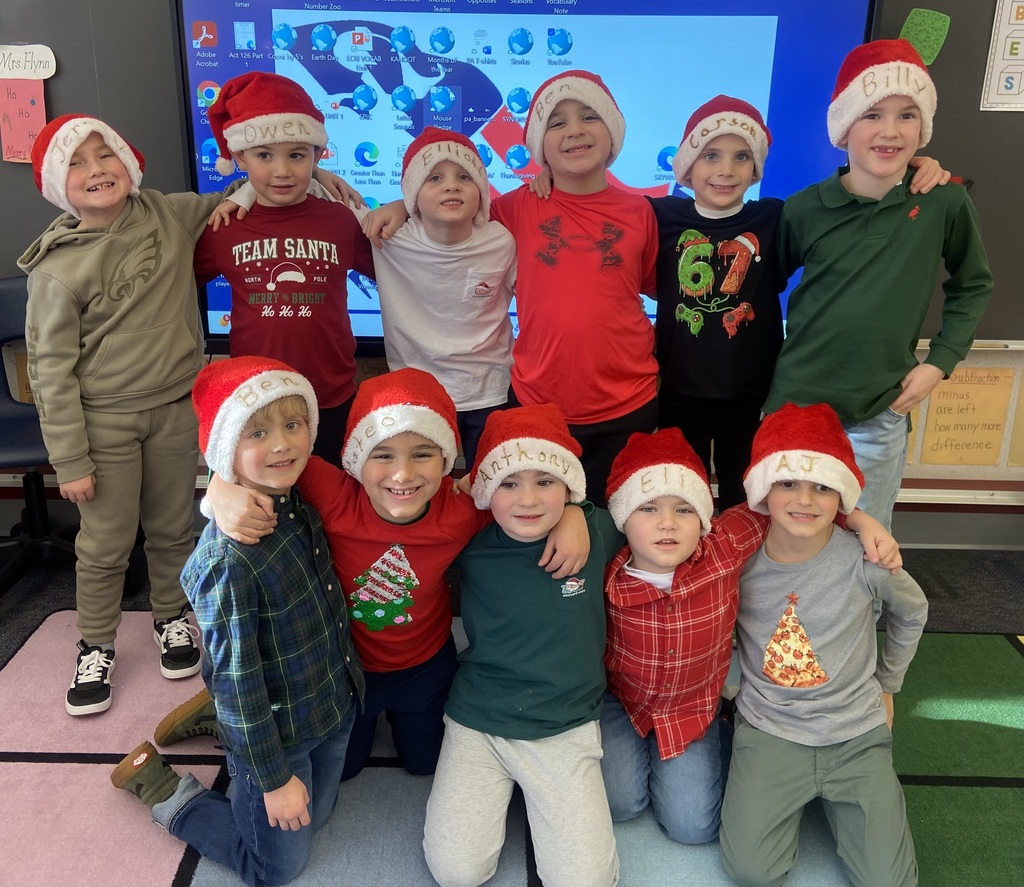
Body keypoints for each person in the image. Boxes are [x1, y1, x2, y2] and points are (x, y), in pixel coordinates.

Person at [203, 368, 589, 781]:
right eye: (383, 455)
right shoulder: (329, 490)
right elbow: (266, 465)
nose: (402, 474)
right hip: (344, 670)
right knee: (345, 772)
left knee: (424, 766)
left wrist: (573, 511)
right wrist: (218, 488)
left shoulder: (461, 510)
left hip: (426, 665)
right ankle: (212, 711)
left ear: (446, 461)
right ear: (354, 461)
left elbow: (524, 493)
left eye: (422, 454)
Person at [111, 356, 364, 887]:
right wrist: (272, 777)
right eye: (257, 431)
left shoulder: (295, 502)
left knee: (321, 816)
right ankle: (161, 788)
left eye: (293, 425)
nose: (282, 444)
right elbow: (236, 676)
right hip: (273, 725)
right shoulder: (228, 560)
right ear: (226, 447)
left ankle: (215, 720)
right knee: (276, 868)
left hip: (328, 704)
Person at [364, 71, 660, 505]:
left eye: (589, 117)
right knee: (538, 514)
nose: (574, 130)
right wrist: (401, 205)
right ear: (539, 145)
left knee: (614, 516)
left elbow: (653, 286)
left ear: (613, 131)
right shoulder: (518, 207)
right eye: (557, 123)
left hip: (629, 399)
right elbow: (455, 208)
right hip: (538, 399)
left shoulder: (641, 211)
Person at [599, 427, 899, 845]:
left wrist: (860, 518)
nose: (667, 524)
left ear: (704, 519)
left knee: (694, 828)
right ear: (622, 517)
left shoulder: (724, 545)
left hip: (692, 710)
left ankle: (727, 729)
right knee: (621, 805)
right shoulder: (603, 563)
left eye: (685, 510)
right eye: (648, 509)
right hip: (624, 704)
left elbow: (792, 506)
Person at [19, 114, 211, 715]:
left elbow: (244, 192)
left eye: (106, 155)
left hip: (175, 409)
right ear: (59, 185)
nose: (96, 169)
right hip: (104, 425)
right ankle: (96, 643)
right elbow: (49, 373)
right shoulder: (55, 270)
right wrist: (70, 461)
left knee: (175, 529)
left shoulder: (166, 213)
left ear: (129, 163)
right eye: (76, 163)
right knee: (104, 544)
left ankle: (170, 617)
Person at [763, 39, 994, 529]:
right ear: (845, 126)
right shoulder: (804, 209)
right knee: (784, 535)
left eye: (907, 115)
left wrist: (941, 362)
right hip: (794, 406)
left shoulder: (943, 202)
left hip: (879, 412)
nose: (889, 131)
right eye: (871, 114)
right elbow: (761, 289)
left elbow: (972, 284)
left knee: (867, 541)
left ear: (923, 127)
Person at [720, 402, 928, 887]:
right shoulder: (738, 557)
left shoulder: (867, 560)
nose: (805, 499)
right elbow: (706, 621)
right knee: (750, 871)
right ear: (762, 490)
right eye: (788, 482)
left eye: (822, 486)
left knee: (888, 881)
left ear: (843, 498)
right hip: (770, 730)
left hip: (856, 734)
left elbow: (912, 610)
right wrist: (733, 684)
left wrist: (888, 684)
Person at [423, 404, 621, 887]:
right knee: (456, 873)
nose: (528, 499)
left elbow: (667, 513)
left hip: (564, 723)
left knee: (584, 883)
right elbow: (410, 503)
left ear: (570, 485)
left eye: (546, 482)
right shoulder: (470, 534)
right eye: (508, 483)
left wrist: (578, 510)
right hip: (480, 719)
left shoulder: (597, 528)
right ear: (487, 491)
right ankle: (504, 792)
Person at [194, 72, 375, 468]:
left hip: (330, 395)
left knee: (330, 504)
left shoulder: (341, 220)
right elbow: (172, 286)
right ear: (239, 158)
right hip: (257, 399)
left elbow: (401, 267)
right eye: (263, 155)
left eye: (297, 155)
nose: (282, 170)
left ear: (317, 156)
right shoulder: (225, 226)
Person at [650, 97, 784, 510]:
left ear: (756, 167)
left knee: (742, 495)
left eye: (741, 157)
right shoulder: (659, 215)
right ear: (688, 167)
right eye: (711, 155)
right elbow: (596, 205)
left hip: (750, 391)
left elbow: (842, 201)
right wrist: (548, 176)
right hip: (679, 387)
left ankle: (736, 570)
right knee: (680, 489)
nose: (726, 170)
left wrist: (916, 168)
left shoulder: (774, 218)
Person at [360, 126, 515, 468]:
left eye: (464, 176)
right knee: (424, 493)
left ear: (483, 193)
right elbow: (321, 201)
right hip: (418, 393)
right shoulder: (389, 236)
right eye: (433, 178)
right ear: (413, 193)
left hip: (490, 390)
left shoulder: (502, 240)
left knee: (492, 489)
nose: (451, 185)